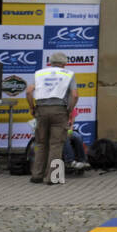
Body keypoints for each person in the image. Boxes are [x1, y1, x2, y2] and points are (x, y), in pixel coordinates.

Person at [25, 52, 78, 185]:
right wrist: (70, 110)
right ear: (64, 63)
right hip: (60, 111)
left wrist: (32, 107)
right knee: (56, 144)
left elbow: (28, 91)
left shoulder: (39, 73)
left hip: (41, 110)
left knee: (41, 143)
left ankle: (36, 175)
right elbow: (75, 95)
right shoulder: (68, 74)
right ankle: (53, 177)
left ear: (50, 62)